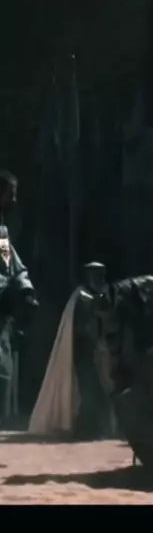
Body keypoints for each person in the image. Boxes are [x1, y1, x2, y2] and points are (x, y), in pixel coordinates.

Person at [28, 261, 115, 438]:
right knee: (89, 390)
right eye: (93, 273)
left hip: (100, 351)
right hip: (84, 352)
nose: (97, 277)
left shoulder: (104, 293)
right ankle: (85, 430)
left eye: (100, 273)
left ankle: (96, 429)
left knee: (100, 390)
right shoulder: (80, 297)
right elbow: (80, 327)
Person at [0, 170, 38, 418]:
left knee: (3, 372)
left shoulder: (2, 230)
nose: (14, 200)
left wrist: (24, 290)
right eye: (10, 194)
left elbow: (8, 265)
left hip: (2, 310)